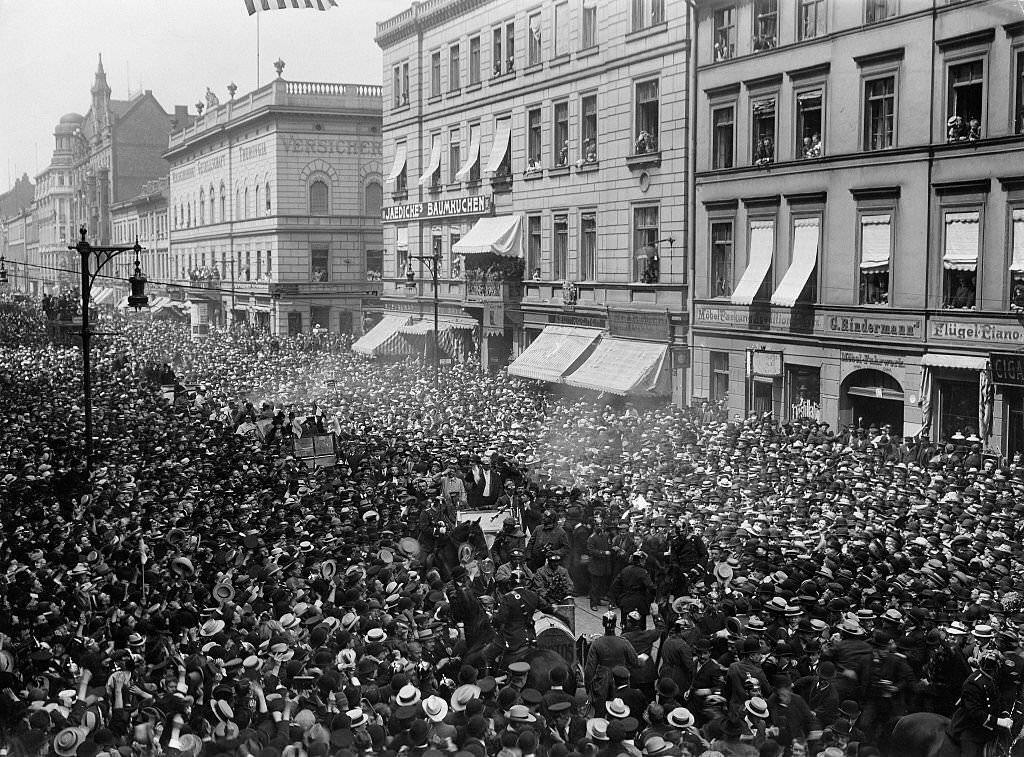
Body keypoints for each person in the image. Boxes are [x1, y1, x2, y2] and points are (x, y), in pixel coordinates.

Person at [949, 650, 1015, 757]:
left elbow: (1000, 700)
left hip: (992, 726)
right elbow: (974, 712)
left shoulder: (992, 679)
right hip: (971, 728)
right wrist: (999, 721)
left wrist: (1005, 715)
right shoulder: (973, 683)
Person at [610, 550, 656, 629]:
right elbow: (651, 587)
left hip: (625, 601)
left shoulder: (625, 570)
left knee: (625, 626)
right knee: (640, 627)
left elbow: (614, 586)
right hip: (639, 603)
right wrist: (651, 599)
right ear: (641, 560)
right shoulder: (643, 572)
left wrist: (618, 600)